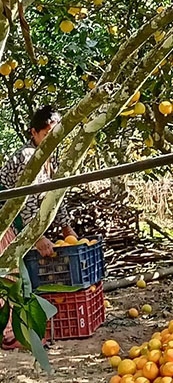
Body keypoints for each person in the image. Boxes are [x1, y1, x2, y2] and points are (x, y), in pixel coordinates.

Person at [0, 105, 77, 350]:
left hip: (16, 223)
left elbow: (55, 196)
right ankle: (11, 336)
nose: (51, 140)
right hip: (5, 220)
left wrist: (67, 228)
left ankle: (19, 331)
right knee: (11, 277)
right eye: (47, 134)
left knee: (19, 279)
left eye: (55, 134)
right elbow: (27, 200)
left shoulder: (50, 157)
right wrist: (37, 238)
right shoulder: (27, 157)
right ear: (34, 133)